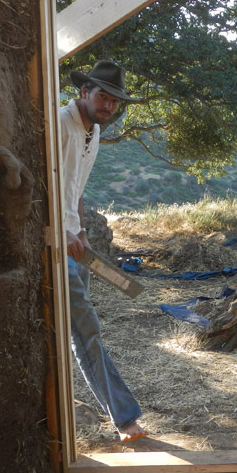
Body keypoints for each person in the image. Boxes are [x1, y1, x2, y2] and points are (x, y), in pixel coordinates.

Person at [60, 60, 147, 443]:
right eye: (102, 97)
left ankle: (117, 416)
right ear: (84, 92)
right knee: (88, 329)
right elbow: (44, 186)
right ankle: (126, 419)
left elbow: (75, 189)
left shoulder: (93, 130)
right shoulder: (61, 124)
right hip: (54, 245)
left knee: (80, 334)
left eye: (114, 101)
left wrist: (80, 230)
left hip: (76, 244)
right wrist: (61, 233)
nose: (108, 106)